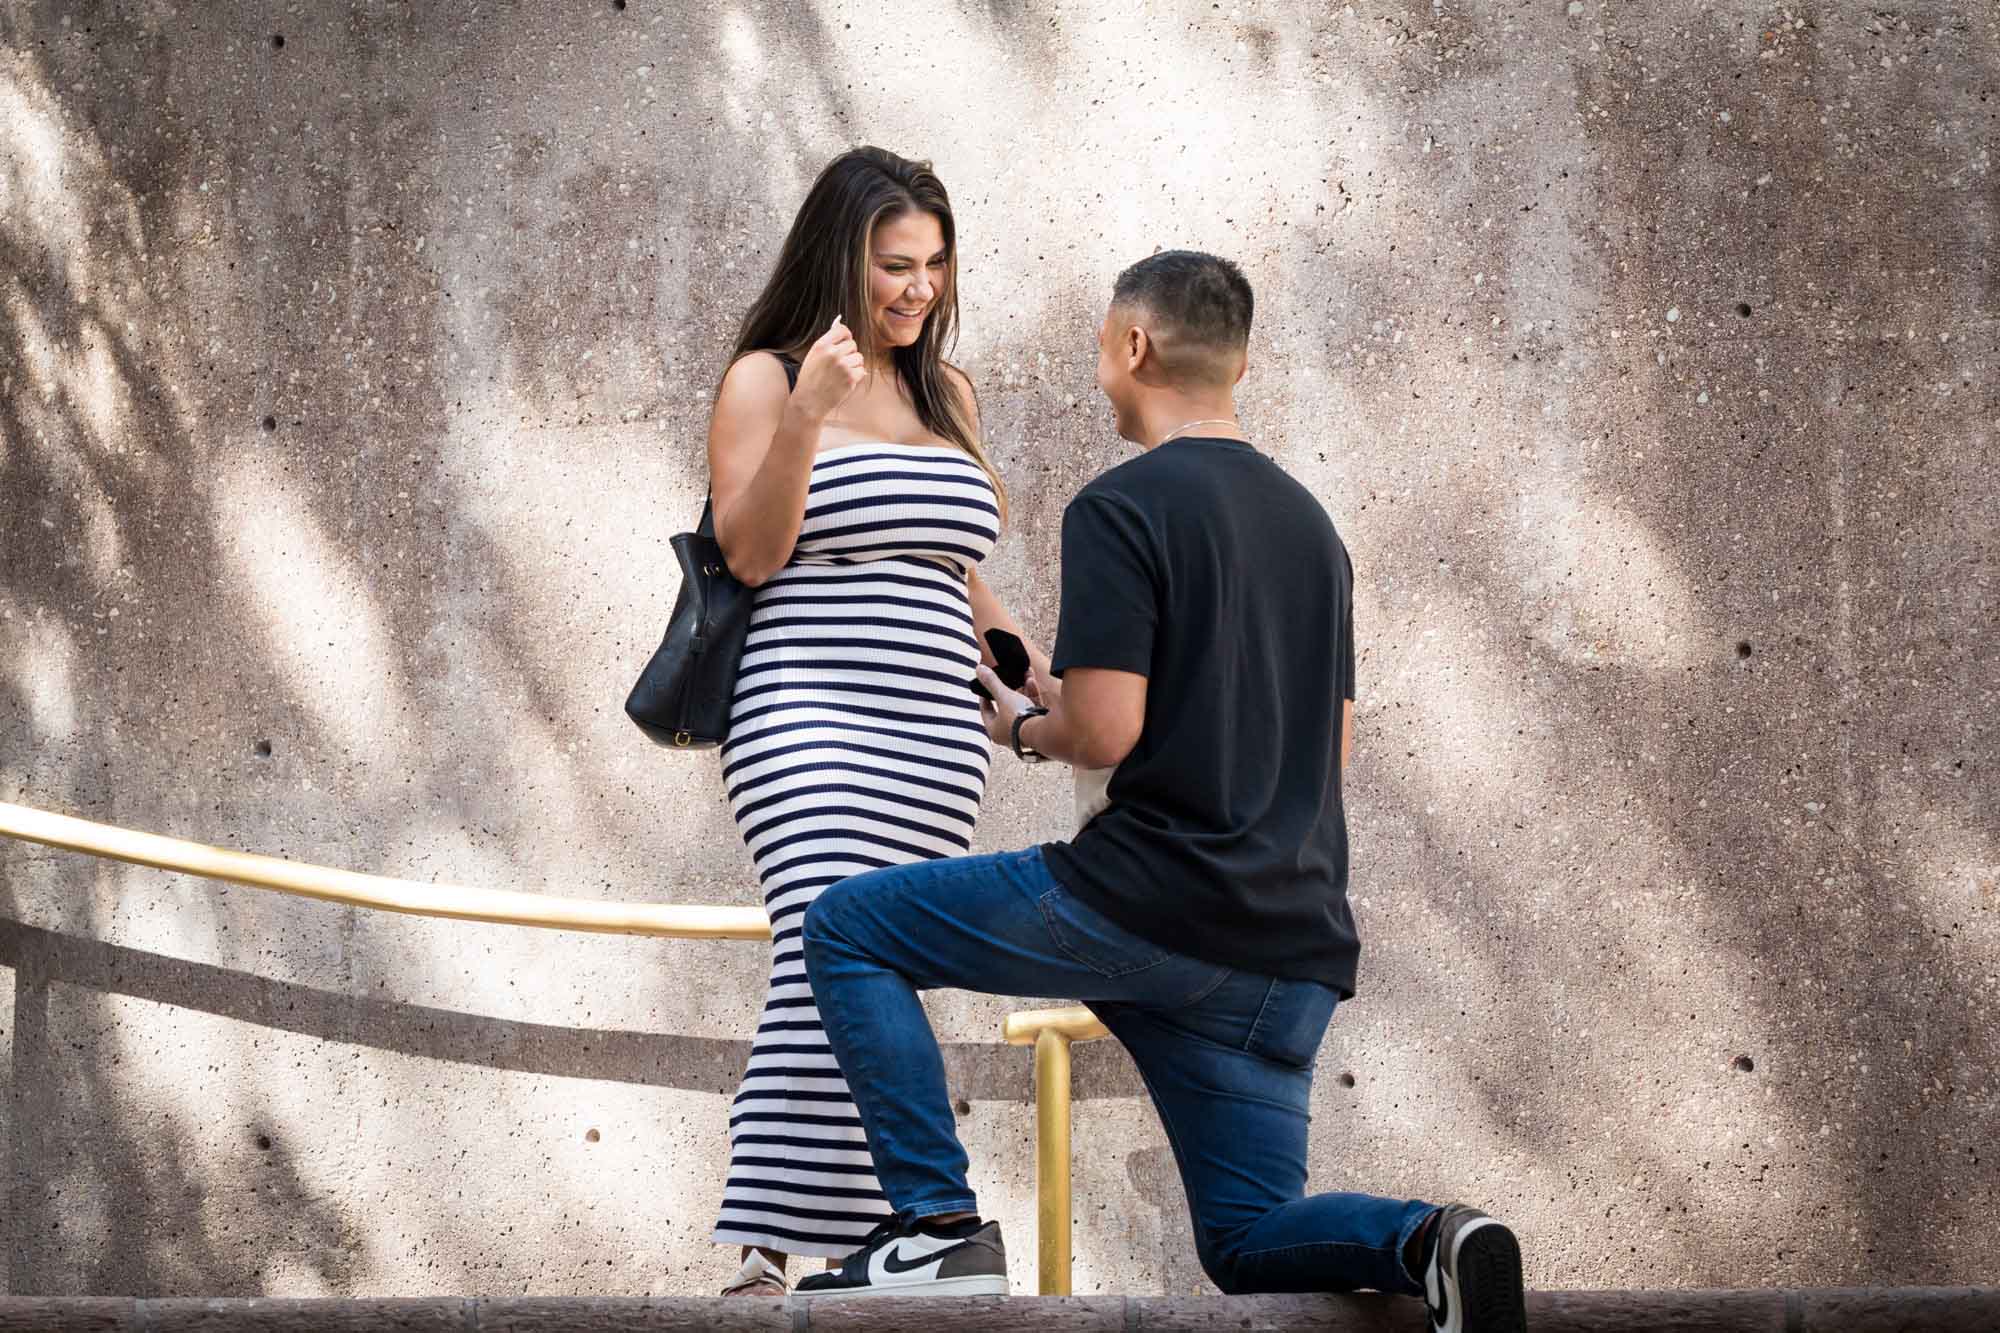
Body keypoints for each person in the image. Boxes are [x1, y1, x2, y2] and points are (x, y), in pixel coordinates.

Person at [793, 251, 1528, 1331]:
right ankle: (1433, 1239)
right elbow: (1320, 749)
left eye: (1102, 343)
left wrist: (1024, 723)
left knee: (847, 926)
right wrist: (1057, 683)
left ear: (1133, 345)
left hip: (1144, 903)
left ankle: (935, 1230)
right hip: (1285, 954)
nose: (1099, 369)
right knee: (1241, 1235)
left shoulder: (1121, 506)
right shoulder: (1311, 531)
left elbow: (1104, 730)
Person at [700, 146, 1037, 1298]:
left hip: (933, 733)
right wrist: (807, 412)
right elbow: (749, 552)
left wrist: (1036, 682)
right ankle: (774, 1243)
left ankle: (869, 1245)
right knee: (818, 941)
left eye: (935, 264)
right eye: (895, 264)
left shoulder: (948, 394)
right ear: (839, 256)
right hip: (804, 712)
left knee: (868, 968)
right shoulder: (765, 377)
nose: (918, 288)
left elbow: (961, 574)